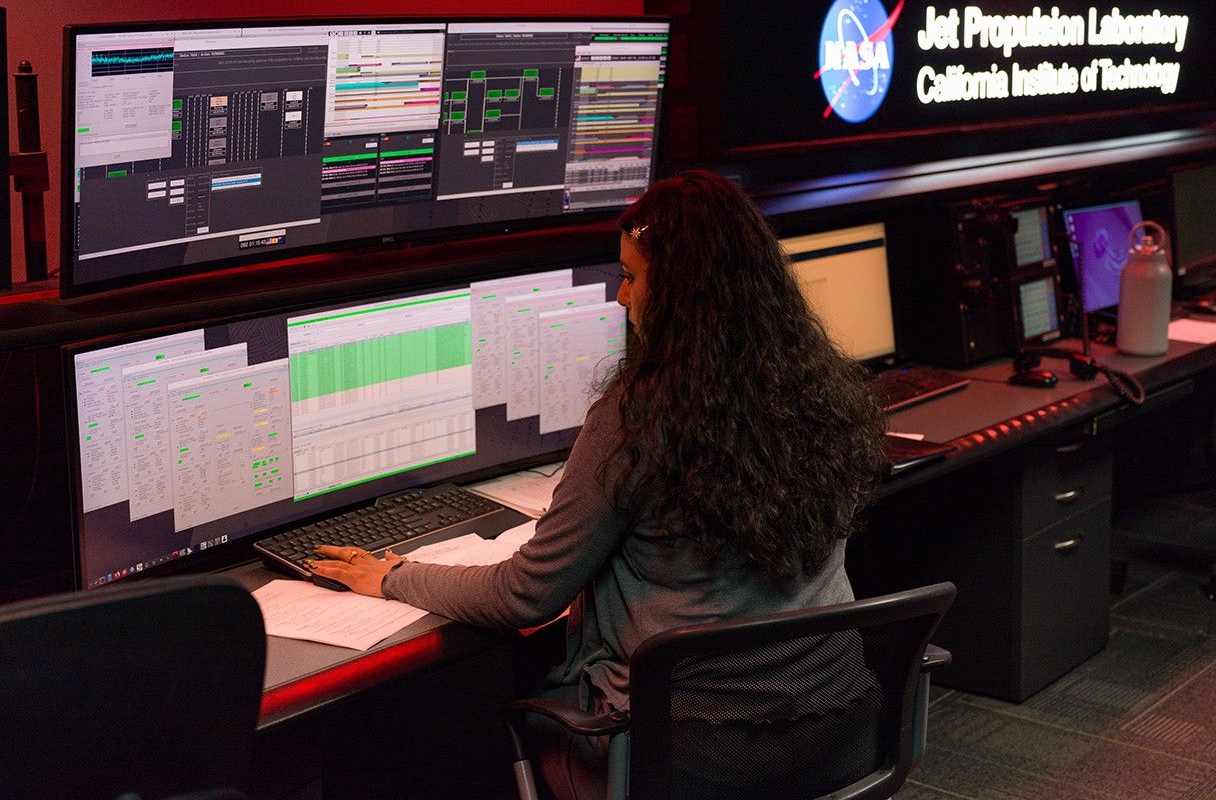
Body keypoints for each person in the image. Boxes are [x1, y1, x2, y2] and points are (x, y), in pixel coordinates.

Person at [310, 169, 887, 799]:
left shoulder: (641, 421)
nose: (620, 296)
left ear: (681, 295)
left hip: (690, 757)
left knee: (477, 725)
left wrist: (393, 576)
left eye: (633, 277)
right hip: (835, 733)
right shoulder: (825, 394)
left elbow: (525, 595)